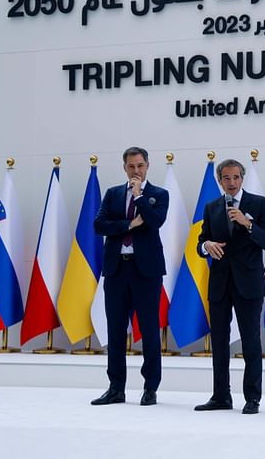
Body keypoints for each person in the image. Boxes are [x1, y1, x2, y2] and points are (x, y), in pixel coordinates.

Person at [194, 159, 265, 415]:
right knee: (219, 342)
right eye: (226, 178)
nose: (231, 183)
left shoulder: (260, 204)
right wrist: (206, 246)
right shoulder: (212, 207)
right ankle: (221, 396)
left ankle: (252, 398)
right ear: (220, 180)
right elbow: (202, 240)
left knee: (250, 341)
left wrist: (247, 223)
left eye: (236, 177)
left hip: (248, 284)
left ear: (243, 178)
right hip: (219, 283)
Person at [91, 147, 168, 406]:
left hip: (145, 271)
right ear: (124, 167)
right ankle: (116, 388)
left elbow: (156, 221)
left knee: (148, 330)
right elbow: (99, 224)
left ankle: (150, 388)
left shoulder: (159, 194)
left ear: (148, 166)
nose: (136, 171)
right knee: (115, 330)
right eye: (132, 166)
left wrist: (140, 198)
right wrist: (127, 225)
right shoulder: (113, 194)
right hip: (116, 269)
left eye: (141, 166)